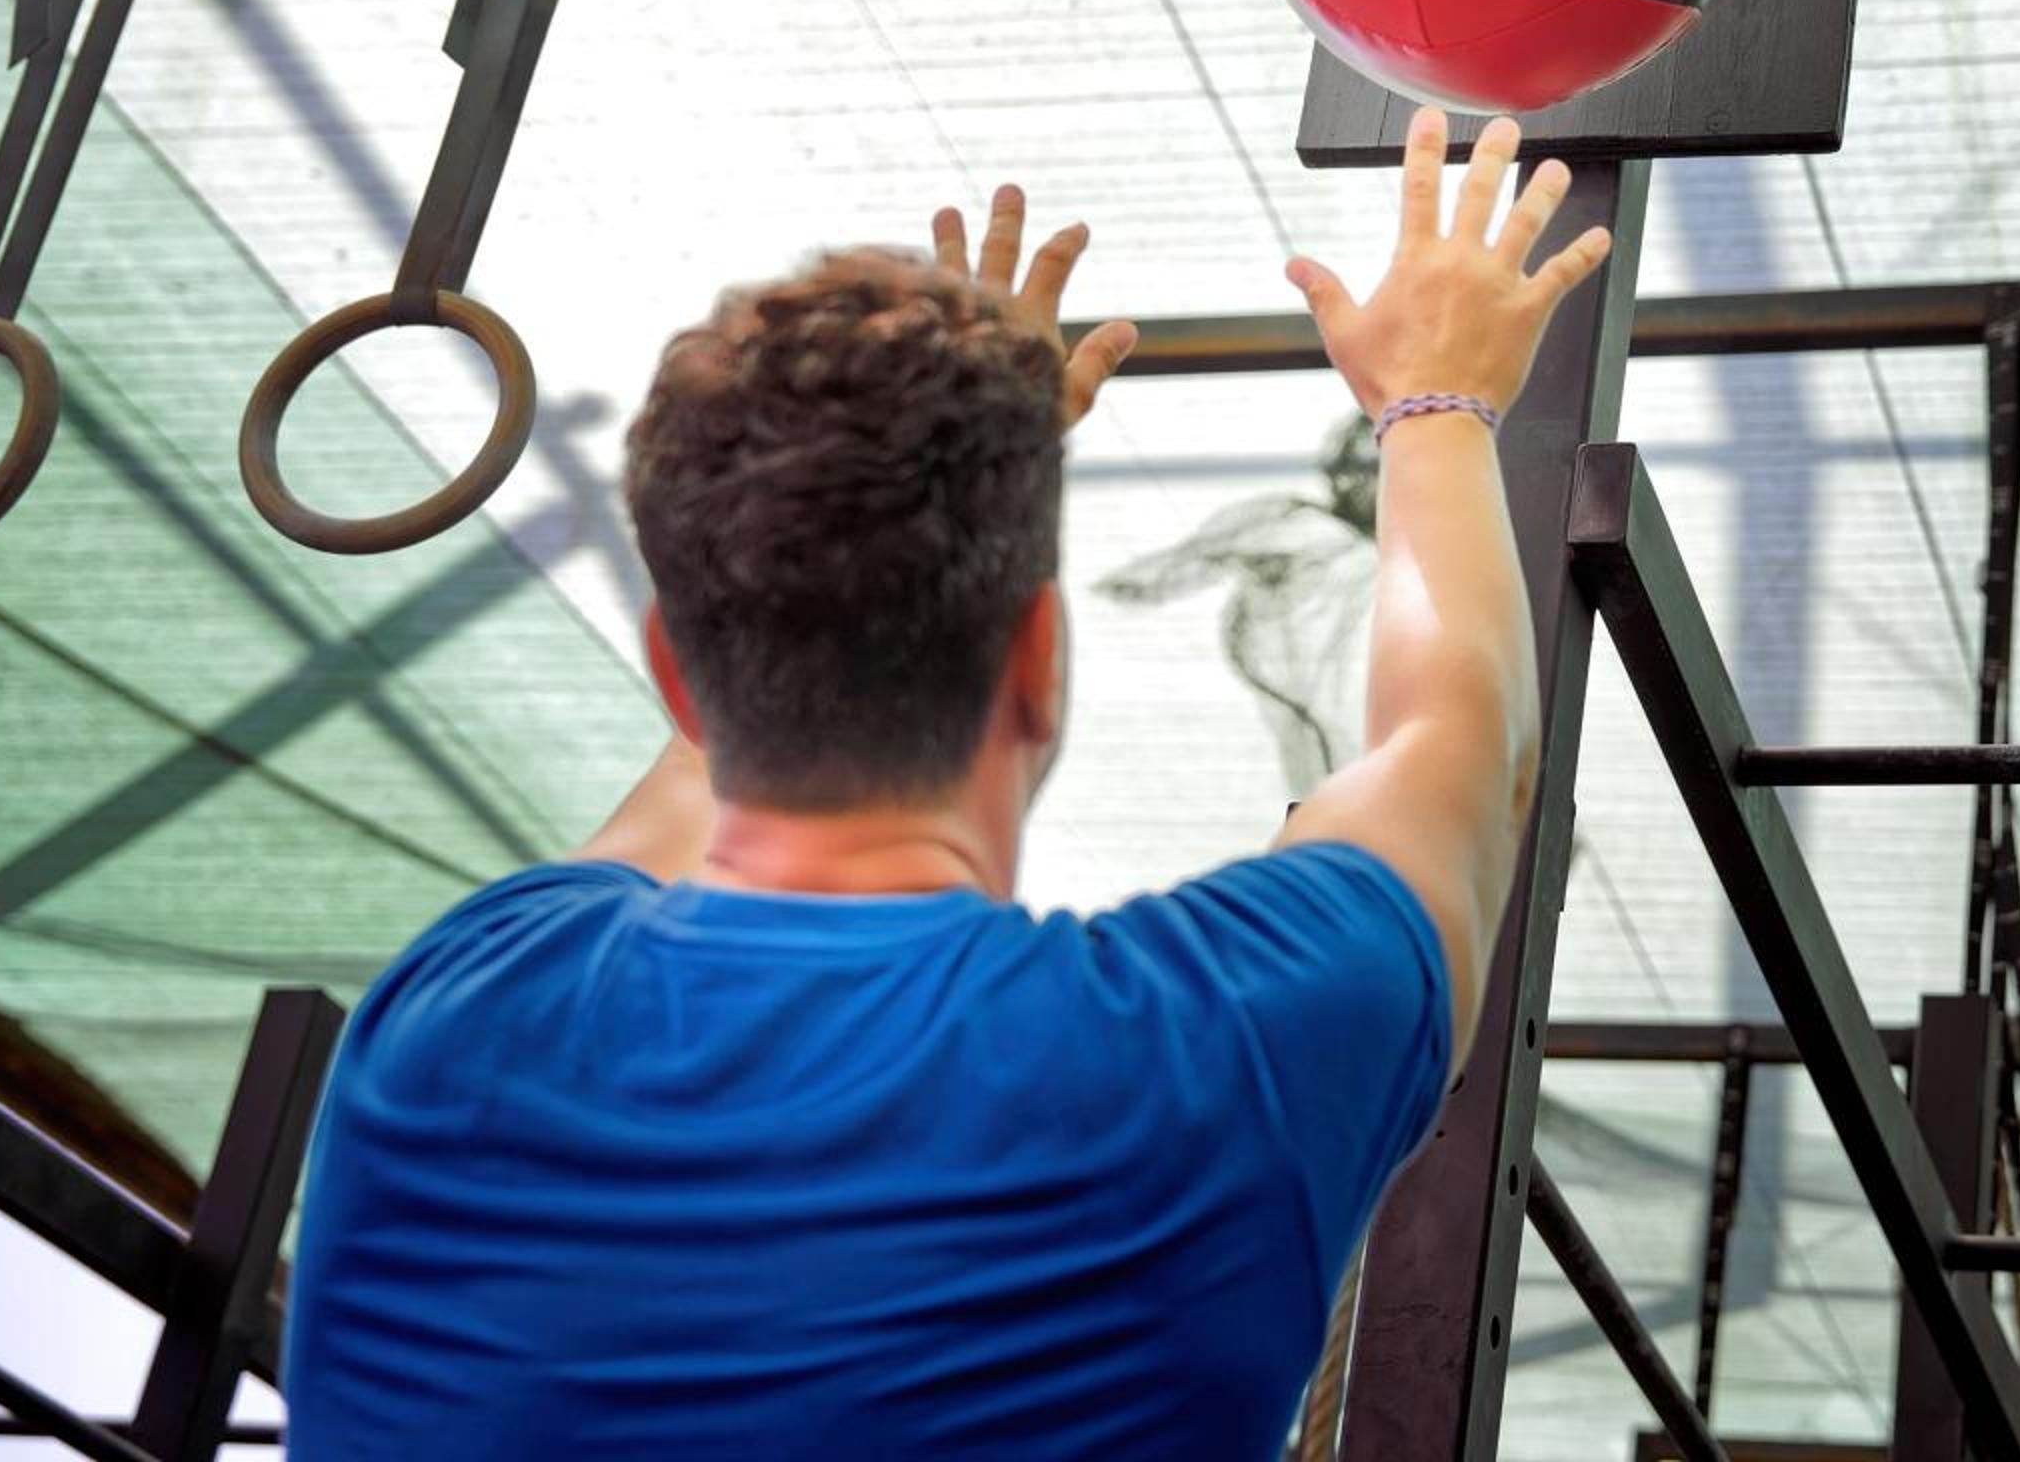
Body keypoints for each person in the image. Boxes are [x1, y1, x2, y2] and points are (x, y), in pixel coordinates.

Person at [282, 110, 1613, 1458]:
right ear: (1037, 665)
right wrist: (1436, 405)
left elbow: (709, 743)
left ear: (676, 674)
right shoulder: (1215, 1045)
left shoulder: (454, 1003)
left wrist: (966, 479)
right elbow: (1456, 740)